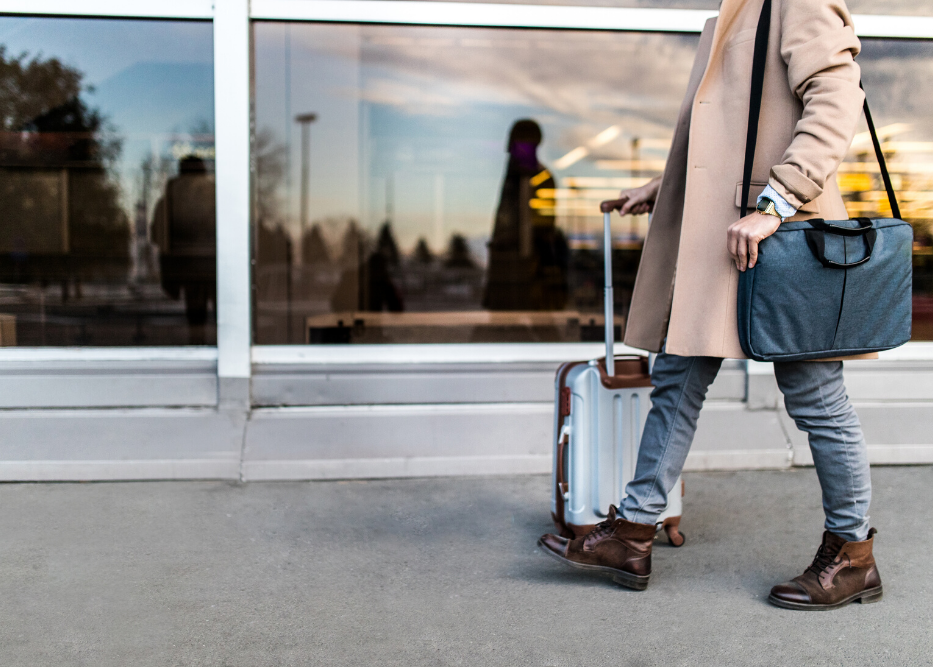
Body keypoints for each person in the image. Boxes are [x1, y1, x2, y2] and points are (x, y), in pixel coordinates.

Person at [538, 0, 882, 611]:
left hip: (778, 237)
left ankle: (853, 558)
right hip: (724, 236)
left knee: (816, 398)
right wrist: (665, 185)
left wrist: (777, 203)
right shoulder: (742, 7)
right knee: (676, 379)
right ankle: (633, 534)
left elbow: (836, 100)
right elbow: (730, 131)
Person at [483, 119, 568, 312]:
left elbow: (543, 227)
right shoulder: (513, 181)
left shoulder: (540, 179)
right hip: (509, 265)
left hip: (531, 266)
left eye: (521, 146)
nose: (513, 152)